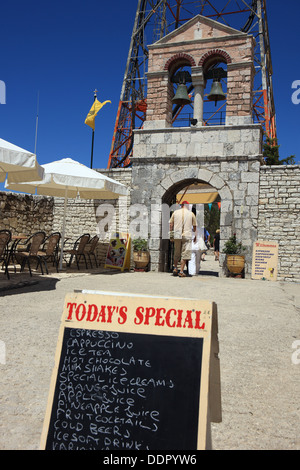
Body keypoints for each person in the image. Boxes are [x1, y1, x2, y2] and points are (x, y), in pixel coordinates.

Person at [169, 201, 197, 277]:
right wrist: (196, 236)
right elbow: (194, 226)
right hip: (187, 235)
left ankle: (175, 268)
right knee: (185, 254)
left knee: (177, 251)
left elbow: (171, 224)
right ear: (187, 206)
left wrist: (171, 234)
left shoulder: (175, 213)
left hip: (177, 234)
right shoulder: (191, 214)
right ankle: (181, 271)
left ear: (181, 205)